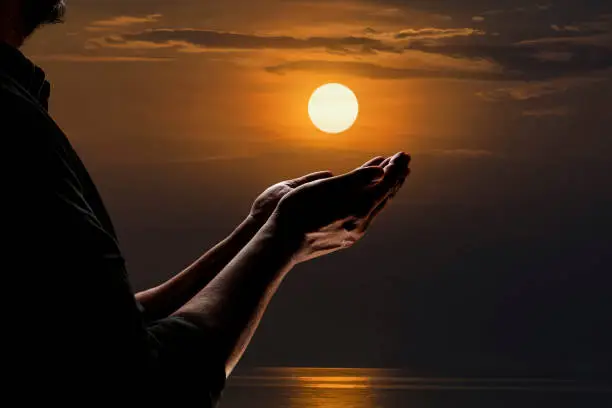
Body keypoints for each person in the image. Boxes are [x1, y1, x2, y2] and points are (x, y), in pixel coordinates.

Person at [0, 0, 410, 404]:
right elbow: (143, 388)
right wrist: (283, 240)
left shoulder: (18, 104)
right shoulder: (11, 126)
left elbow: (90, 337)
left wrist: (255, 232)